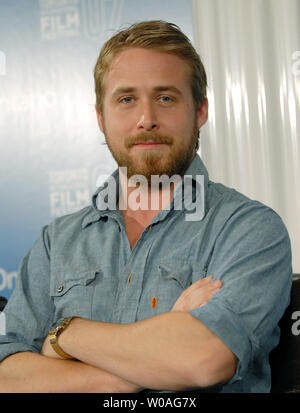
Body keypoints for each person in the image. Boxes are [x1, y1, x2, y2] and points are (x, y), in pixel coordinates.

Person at [0, 20, 292, 393]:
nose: (146, 119)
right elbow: (7, 376)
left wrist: (64, 335)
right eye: (126, 100)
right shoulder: (57, 242)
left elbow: (203, 360)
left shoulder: (249, 229)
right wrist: (160, 349)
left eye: (166, 98)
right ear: (101, 118)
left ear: (200, 111)